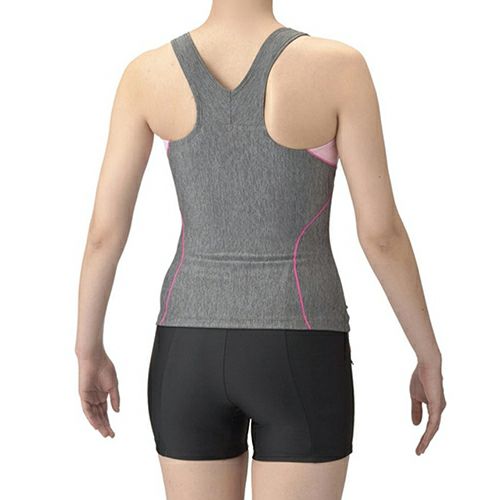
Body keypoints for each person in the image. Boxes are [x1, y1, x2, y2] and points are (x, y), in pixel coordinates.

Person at [75, 1, 446, 499]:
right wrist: (427, 353)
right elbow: (381, 235)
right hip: (302, 345)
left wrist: (88, 349)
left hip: (186, 349)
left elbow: (104, 233)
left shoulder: (146, 75)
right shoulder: (339, 68)